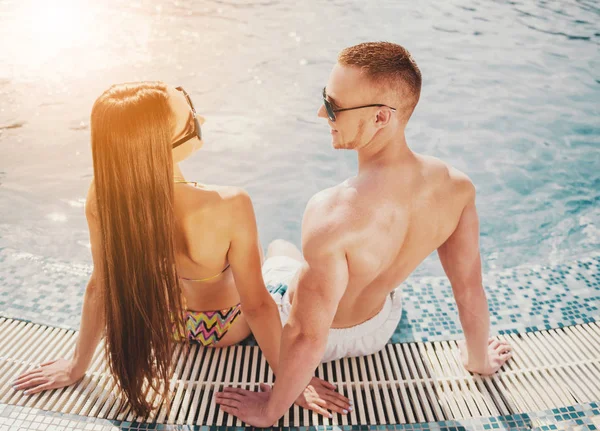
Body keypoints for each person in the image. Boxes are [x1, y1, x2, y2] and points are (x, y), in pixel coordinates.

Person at [215, 42, 513, 427]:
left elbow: (305, 334)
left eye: (334, 105)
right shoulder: (457, 188)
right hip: (378, 330)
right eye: (325, 98)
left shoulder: (332, 212)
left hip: (319, 345)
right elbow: (469, 288)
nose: (322, 112)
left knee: (277, 251)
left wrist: (271, 411)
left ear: (381, 118)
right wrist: (479, 361)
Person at [12, 82, 350, 418]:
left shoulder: (104, 194)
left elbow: (101, 286)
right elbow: (257, 305)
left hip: (166, 321)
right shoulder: (228, 202)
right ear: (161, 143)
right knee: (283, 250)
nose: (198, 116)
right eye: (189, 114)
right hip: (224, 328)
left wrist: (76, 366)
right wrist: (293, 380)